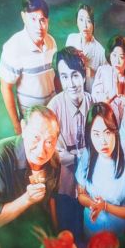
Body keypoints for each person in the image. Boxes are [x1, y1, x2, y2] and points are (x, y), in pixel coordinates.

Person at [0, 104, 80, 244]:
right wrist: (27, 199)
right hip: (10, 239)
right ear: (23, 128)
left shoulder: (53, 159)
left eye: (49, 141)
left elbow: (51, 201)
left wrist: (55, 234)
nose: (41, 150)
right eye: (36, 137)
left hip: (41, 232)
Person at [75, 102, 125, 242]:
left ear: (115, 132)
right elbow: (81, 195)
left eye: (107, 133)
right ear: (89, 135)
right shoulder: (86, 157)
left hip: (116, 233)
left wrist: (105, 206)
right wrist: (94, 204)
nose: (103, 141)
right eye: (96, 134)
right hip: (91, 229)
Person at [0, 0, 58, 134]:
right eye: (33, 19)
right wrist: (17, 126)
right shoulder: (13, 47)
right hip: (31, 120)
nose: (39, 26)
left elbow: (55, 78)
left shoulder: (51, 42)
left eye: (42, 20)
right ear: (24, 17)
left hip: (52, 115)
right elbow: (5, 87)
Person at [48, 47, 91, 175]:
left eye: (75, 75)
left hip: (91, 173)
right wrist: (83, 155)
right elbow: (57, 156)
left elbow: (100, 149)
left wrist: (72, 157)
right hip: (63, 177)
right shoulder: (53, 110)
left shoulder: (95, 105)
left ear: (84, 77)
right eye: (65, 77)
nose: (71, 84)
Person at [91, 33, 125, 126]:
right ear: (109, 55)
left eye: (121, 57)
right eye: (114, 55)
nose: (117, 61)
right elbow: (94, 99)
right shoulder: (102, 71)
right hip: (106, 125)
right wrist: (111, 96)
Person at [64, 5, 108, 81]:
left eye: (88, 21)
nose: (85, 25)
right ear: (77, 22)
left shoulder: (101, 52)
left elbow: (108, 79)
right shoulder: (71, 39)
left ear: (93, 24)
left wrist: (94, 73)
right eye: (81, 20)